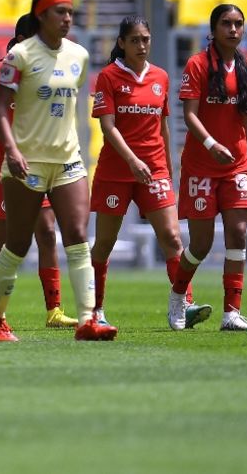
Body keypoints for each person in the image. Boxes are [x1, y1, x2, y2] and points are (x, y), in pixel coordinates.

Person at [0, 0, 117, 341]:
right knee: (17, 243)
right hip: (28, 161)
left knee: (76, 237)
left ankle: (88, 319)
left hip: (68, 159)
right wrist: (12, 150)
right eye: (60, 12)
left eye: (70, 11)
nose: (68, 18)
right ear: (41, 16)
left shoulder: (80, 55)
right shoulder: (19, 57)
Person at [89, 16, 194, 327]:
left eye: (145, 39)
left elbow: (162, 125)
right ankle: (96, 309)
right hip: (116, 171)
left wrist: (168, 168)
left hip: (155, 170)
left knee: (173, 238)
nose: (141, 45)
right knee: (105, 243)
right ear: (121, 43)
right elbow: (107, 126)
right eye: (134, 40)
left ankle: (182, 305)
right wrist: (133, 161)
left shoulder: (160, 77)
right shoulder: (108, 77)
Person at [0, 25, 77, 332]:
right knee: (0, 240)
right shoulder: (4, 71)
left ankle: (54, 310)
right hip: (5, 169)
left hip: (38, 167)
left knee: (47, 233)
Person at [168, 3, 247, 332]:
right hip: (201, 166)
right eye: (226, 24)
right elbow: (189, 115)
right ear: (213, 29)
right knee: (201, 244)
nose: (233, 29)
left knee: (238, 233)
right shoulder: (197, 64)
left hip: (235, 165)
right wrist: (211, 144)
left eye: (238, 23)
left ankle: (231, 313)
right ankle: (178, 297)